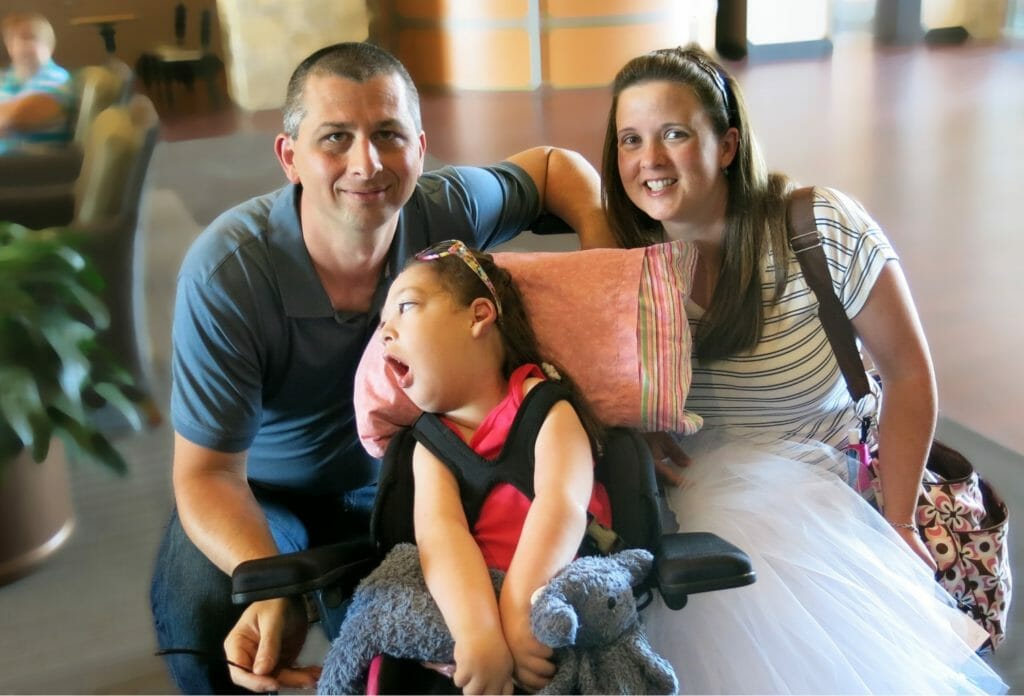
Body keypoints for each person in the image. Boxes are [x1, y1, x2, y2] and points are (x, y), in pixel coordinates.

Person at [149, 40, 615, 694]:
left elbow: (553, 169)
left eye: (388, 135)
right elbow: (205, 473)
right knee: (207, 610)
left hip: (400, 481)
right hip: (261, 492)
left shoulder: (442, 208)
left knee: (419, 654)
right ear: (290, 157)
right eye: (335, 138)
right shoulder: (228, 272)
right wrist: (274, 582)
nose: (366, 163)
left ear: (420, 149)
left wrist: (603, 265)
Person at [600, 44, 1008, 693]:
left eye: (674, 133)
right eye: (630, 139)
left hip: (829, 490)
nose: (649, 159)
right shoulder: (628, 265)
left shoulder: (816, 225)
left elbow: (907, 372)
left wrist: (899, 522)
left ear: (727, 144)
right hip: (697, 516)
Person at [374, 239, 610, 694]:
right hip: (470, 606)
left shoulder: (544, 406)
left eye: (405, 307)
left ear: (479, 315)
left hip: (554, 601)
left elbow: (561, 505)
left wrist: (520, 611)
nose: (386, 332)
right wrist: (477, 634)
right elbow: (441, 538)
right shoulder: (430, 444)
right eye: (382, 324)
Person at [0, 12, 73, 154]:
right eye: (13, 39)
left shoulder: (56, 78)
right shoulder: (8, 77)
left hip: (28, 166)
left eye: (29, 37)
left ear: (49, 44)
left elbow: (17, 116)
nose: (21, 45)